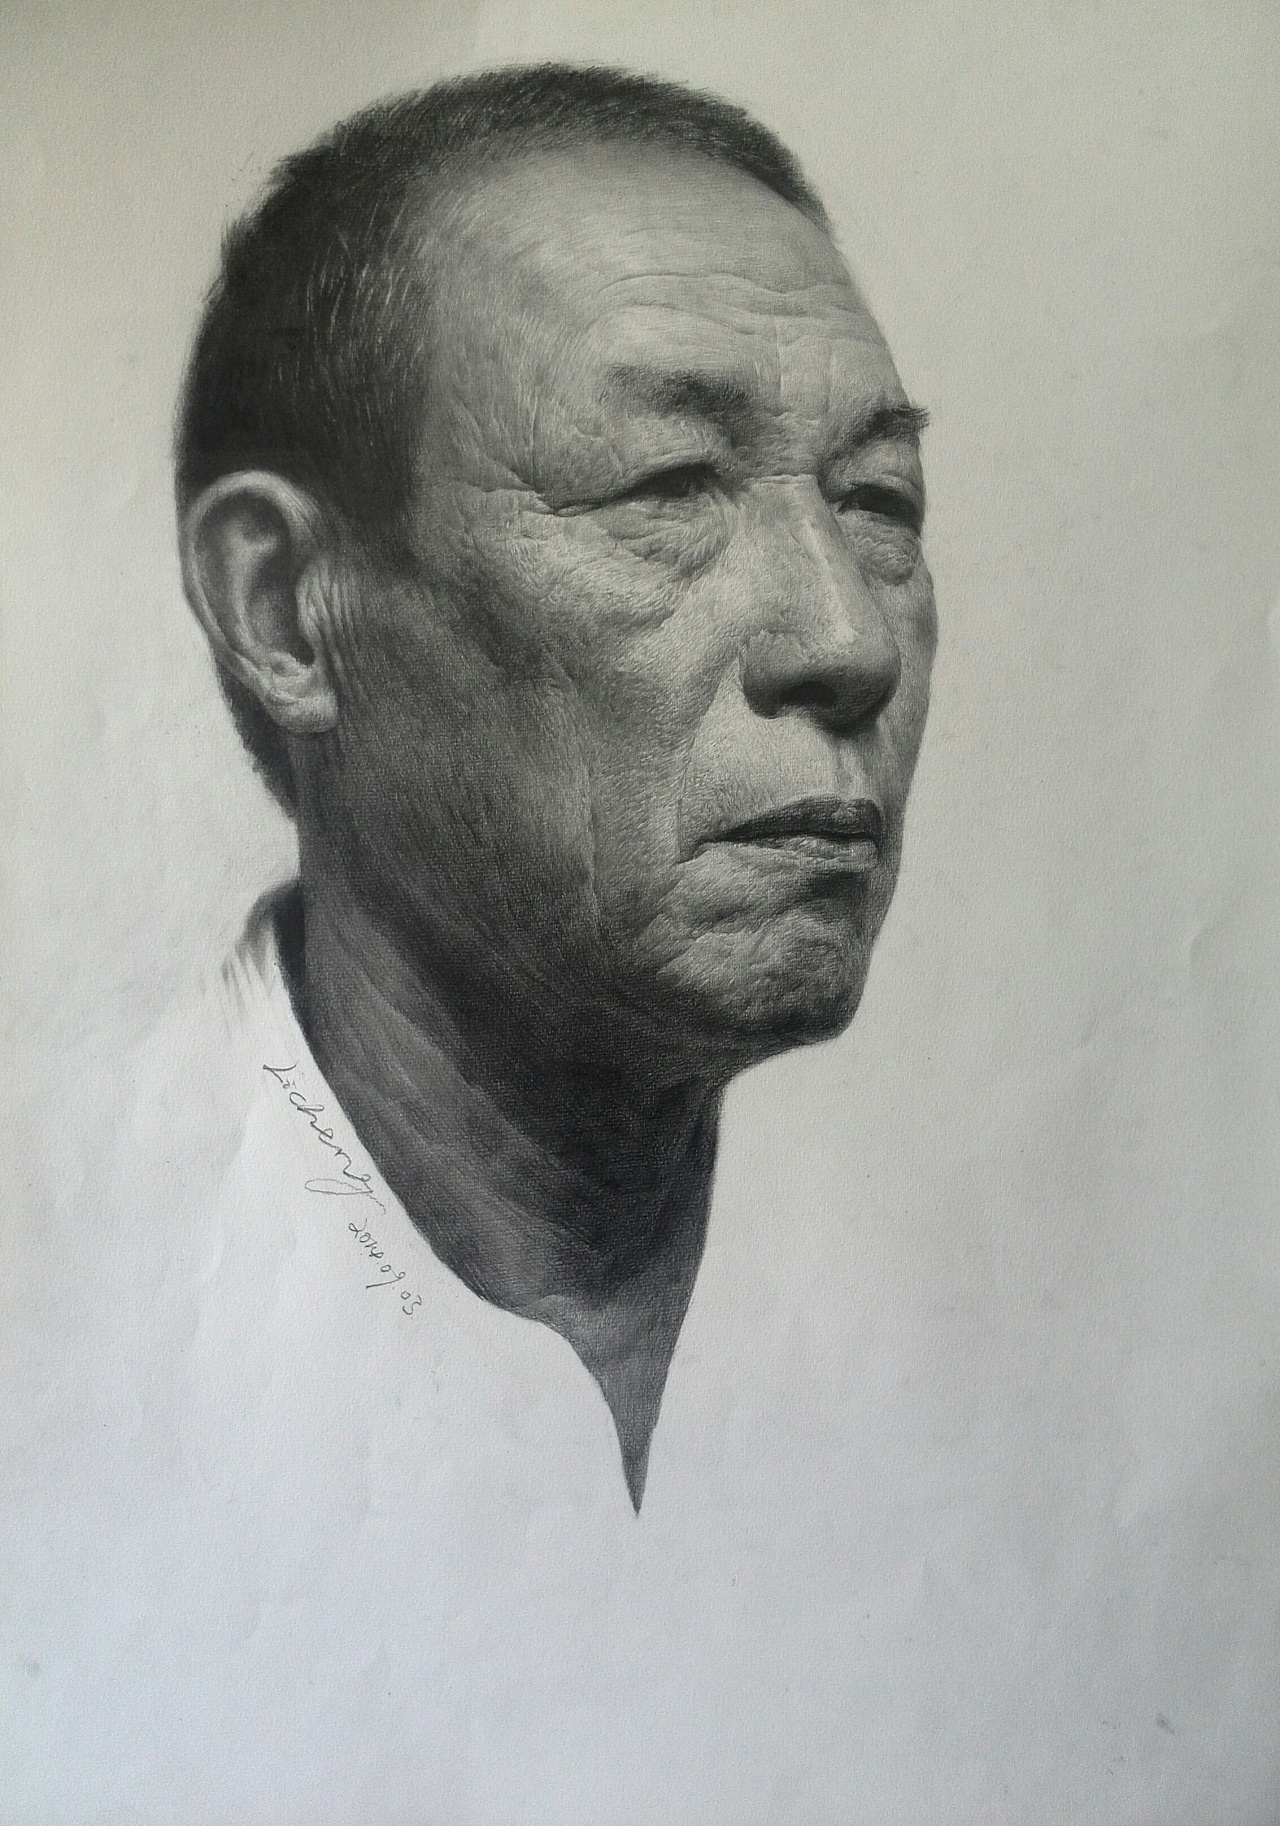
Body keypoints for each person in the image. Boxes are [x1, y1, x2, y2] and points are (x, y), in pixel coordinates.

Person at [177, 63, 936, 1510]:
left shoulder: (974, 1337)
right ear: (287, 613)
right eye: (667, 486)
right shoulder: (79, 1292)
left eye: (878, 500)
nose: (850, 641)